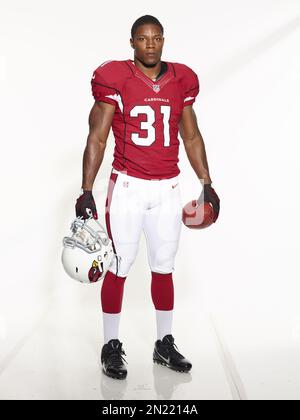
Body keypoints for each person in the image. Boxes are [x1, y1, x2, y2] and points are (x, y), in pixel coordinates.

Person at [75, 15, 220, 380]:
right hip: (127, 186)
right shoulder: (116, 78)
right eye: (143, 38)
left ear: (163, 40)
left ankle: (164, 343)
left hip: (168, 187)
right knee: (119, 266)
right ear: (132, 43)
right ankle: (111, 345)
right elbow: (97, 136)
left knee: (164, 266)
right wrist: (86, 190)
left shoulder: (181, 80)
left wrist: (206, 181)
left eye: (156, 38)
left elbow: (191, 136)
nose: (150, 44)